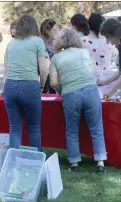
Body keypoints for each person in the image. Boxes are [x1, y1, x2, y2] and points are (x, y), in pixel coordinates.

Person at [50, 28, 107, 173]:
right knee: (96, 128)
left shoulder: (56, 58)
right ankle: (100, 161)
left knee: (71, 130)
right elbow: (91, 72)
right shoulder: (84, 52)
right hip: (90, 90)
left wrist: (63, 86)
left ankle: (74, 163)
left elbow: (54, 83)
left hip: (70, 94)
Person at [3, 15, 50, 150]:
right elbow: (44, 69)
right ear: (34, 26)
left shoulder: (11, 44)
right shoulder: (37, 41)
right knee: (34, 127)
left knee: (15, 128)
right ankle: (34, 161)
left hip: (10, 85)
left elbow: (6, 71)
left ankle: (13, 161)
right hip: (29, 84)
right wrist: (41, 85)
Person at [82, 13, 113, 82]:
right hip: (107, 78)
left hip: (88, 79)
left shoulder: (82, 41)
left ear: (88, 25)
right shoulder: (108, 42)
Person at [98, 18, 121, 98]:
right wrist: (105, 82)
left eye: (107, 37)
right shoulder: (119, 46)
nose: (107, 40)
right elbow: (120, 72)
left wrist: (110, 93)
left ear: (114, 34)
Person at [40, 19, 61, 94]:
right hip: (46, 74)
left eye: (56, 29)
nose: (56, 32)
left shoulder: (58, 41)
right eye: (53, 30)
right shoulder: (41, 42)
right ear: (46, 31)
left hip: (57, 72)